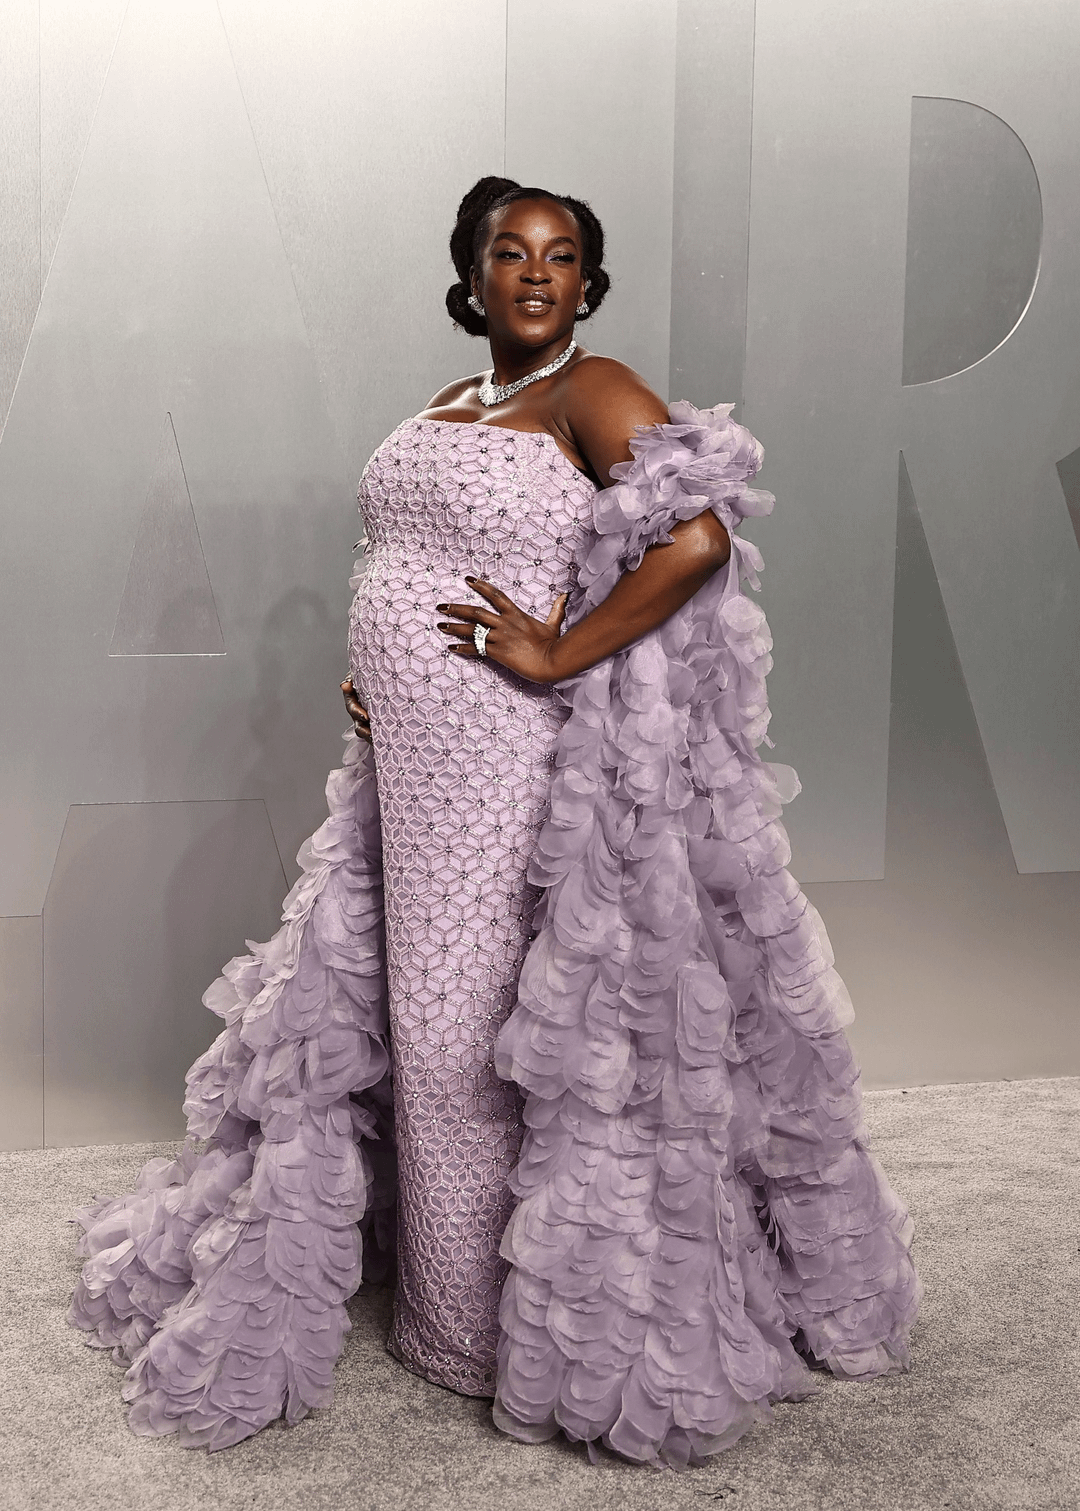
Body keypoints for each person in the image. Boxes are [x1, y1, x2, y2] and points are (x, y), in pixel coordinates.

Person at [69, 176, 921, 1470]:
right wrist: (382, 664)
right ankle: (438, 1292)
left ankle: (482, 1327)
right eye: (509, 252)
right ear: (471, 277)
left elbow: (694, 538)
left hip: (511, 758)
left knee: (471, 1026)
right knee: (410, 1010)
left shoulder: (595, 390)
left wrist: (559, 648)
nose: (534, 272)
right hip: (409, 762)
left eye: (560, 256)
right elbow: (408, 561)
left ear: (586, 284)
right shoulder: (454, 400)